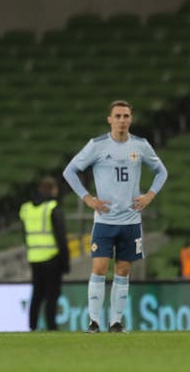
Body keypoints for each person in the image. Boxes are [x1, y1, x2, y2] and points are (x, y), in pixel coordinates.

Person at [63, 100, 168, 333]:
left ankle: (116, 322)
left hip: (131, 221)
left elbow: (162, 172)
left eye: (126, 116)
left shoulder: (140, 146)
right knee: (99, 267)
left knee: (123, 271)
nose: (122, 120)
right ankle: (93, 321)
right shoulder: (97, 145)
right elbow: (69, 171)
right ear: (109, 119)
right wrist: (87, 198)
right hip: (104, 221)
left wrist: (150, 194)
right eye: (118, 116)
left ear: (131, 119)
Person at [19, 177, 70, 331]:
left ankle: (32, 328)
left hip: (34, 257)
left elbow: (25, 234)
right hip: (52, 258)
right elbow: (61, 237)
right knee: (51, 296)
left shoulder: (26, 208)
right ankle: (51, 328)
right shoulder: (52, 208)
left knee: (37, 295)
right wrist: (65, 262)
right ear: (53, 189)